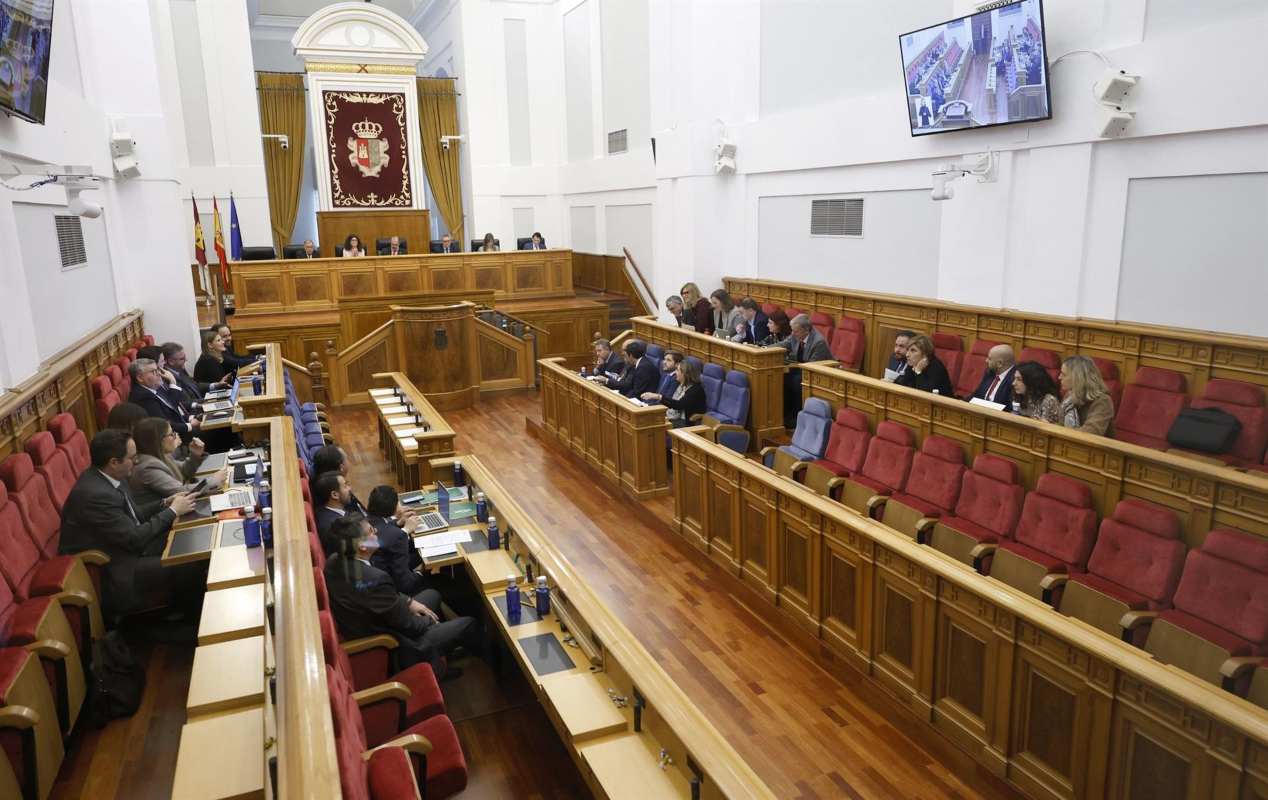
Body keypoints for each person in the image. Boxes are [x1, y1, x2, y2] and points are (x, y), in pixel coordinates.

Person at [60, 429, 199, 618]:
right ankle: (186, 622)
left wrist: (165, 502)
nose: (137, 461)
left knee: (190, 538)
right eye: (132, 457)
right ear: (114, 462)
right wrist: (173, 511)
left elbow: (135, 515)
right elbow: (134, 539)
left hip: (128, 547)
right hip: (118, 567)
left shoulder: (110, 476)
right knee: (188, 560)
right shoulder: (95, 495)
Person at [324, 513, 477, 678]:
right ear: (362, 546)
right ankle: (436, 663)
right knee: (468, 623)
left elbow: (374, 593)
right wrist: (429, 621)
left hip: (380, 620)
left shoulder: (334, 561)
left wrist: (409, 601)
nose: (376, 532)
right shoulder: (374, 578)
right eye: (371, 531)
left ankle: (439, 656)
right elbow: (408, 625)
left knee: (433, 595)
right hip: (395, 644)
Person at [129, 418, 224, 507]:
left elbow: (183, 471)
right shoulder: (147, 467)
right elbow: (181, 491)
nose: (175, 436)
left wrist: (195, 455)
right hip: (170, 521)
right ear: (158, 440)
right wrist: (214, 480)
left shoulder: (161, 455)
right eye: (171, 434)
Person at [365, 485, 425, 595]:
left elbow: (383, 529)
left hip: (383, 569)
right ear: (394, 506)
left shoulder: (366, 521)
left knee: (419, 553)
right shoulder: (397, 536)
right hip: (395, 590)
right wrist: (421, 571)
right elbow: (406, 585)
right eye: (398, 502)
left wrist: (398, 523)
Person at [127, 358, 200, 442]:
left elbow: (172, 410)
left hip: (180, 429)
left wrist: (191, 418)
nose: (159, 374)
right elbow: (163, 424)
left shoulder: (154, 388)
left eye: (157, 370)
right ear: (140, 378)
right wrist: (190, 426)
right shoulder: (143, 397)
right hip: (173, 438)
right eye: (153, 371)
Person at [640, 357, 706, 428]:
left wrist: (658, 396)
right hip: (674, 417)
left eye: (677, 370)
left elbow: (679, 405)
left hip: (685, 422)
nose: (676, 373)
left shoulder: (695, 389)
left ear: (685, 374)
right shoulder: (682, 385)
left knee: (651, 425)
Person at [1059, 355, 1115, 436]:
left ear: (1078, 378)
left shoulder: (1103, 401)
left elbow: (1091, 433)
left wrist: (1061, 431)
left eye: (1064, 374)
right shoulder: (1069, 395)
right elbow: (1061, 424)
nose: (1059, 377)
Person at [161, 340, 231, 402]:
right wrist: (210, 400)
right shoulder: (167, 378)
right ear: (170, 361)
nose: (186, 360)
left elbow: (194, 385)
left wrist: (216, 385)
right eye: (182, 359)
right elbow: (186, 402)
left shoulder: (179, 370)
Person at [595, 339, 660, 398]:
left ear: (631, 355)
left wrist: (622, 398)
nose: (623, 355)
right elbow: (626, 383)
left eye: (625, 354)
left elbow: (636, 391)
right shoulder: (636, 364)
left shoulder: (643, 367)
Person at [311, 444, 367, 512]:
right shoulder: (341, 500)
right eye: (346, 458)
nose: (349, 487)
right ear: (341, 468)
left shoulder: (322, 487)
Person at [312, 470, 353, 554]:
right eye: (345, 486)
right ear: (335, 495)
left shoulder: (326, 511)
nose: (350, 488)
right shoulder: (336, 528)